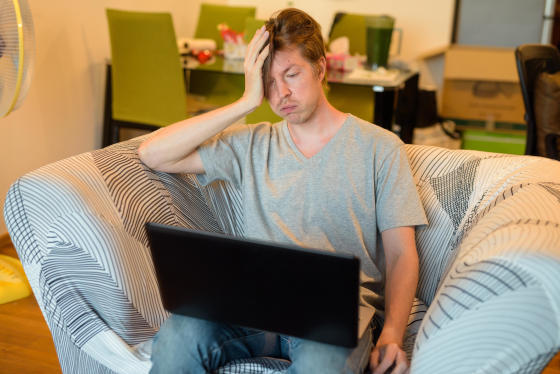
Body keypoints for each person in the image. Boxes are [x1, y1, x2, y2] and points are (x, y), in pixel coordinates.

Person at [139, 8, 427, 374]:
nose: (283, 93)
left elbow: (402, 253)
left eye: (292, 75)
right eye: (269, 82)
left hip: (333, 318)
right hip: (251, 305)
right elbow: (152, 154)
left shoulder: (379, 147)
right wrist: (245, 102)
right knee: (178, 337)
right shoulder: (253, 143)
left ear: (320, 68)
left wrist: (391, 333)